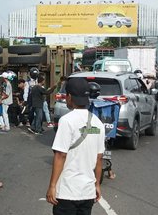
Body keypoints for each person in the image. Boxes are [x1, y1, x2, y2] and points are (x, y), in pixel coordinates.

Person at [46, 77, 105, 214]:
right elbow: (99, 159)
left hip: (67, 192)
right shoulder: (98, 123)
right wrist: (97, 185)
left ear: (70, 97)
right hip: (88, 192)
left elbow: (61, 154)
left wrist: (52, 186)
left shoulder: (67, 121)